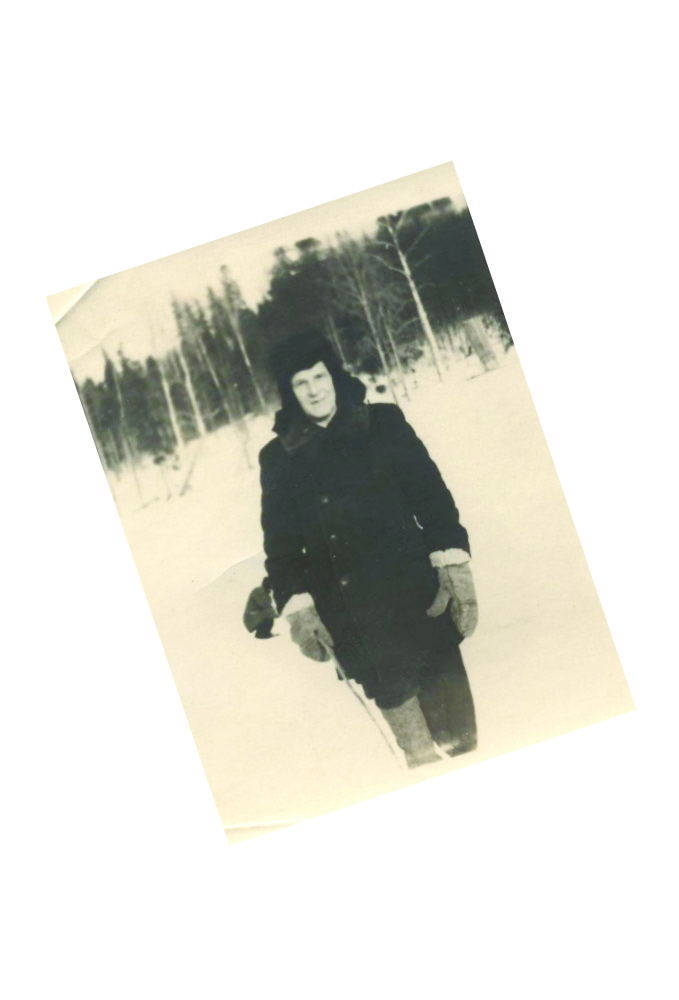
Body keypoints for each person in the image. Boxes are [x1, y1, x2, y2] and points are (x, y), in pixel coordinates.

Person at [244, 330, 479, 768]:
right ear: (290, 393)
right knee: (421, 756)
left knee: (461, 740)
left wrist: (452, 564)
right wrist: (300, 608)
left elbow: (431, 497)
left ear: (334, 375)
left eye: (319, 376)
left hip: (419, 600)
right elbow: (281, 546)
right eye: (301, 383)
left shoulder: (384, 424)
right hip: (355, 620)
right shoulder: (278, 458)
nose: (314, 390)